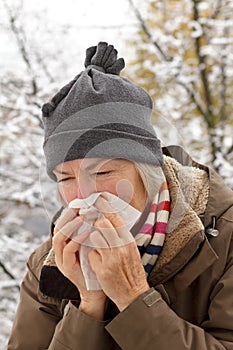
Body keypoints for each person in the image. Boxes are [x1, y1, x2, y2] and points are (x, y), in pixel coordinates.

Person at [8, 42, 233, 350]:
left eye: (103, 173)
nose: (84, 195)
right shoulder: (48, 264)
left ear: (148, 172)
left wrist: (134, 298)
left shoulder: (226, 239)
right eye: (66, 178)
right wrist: (88, 304)